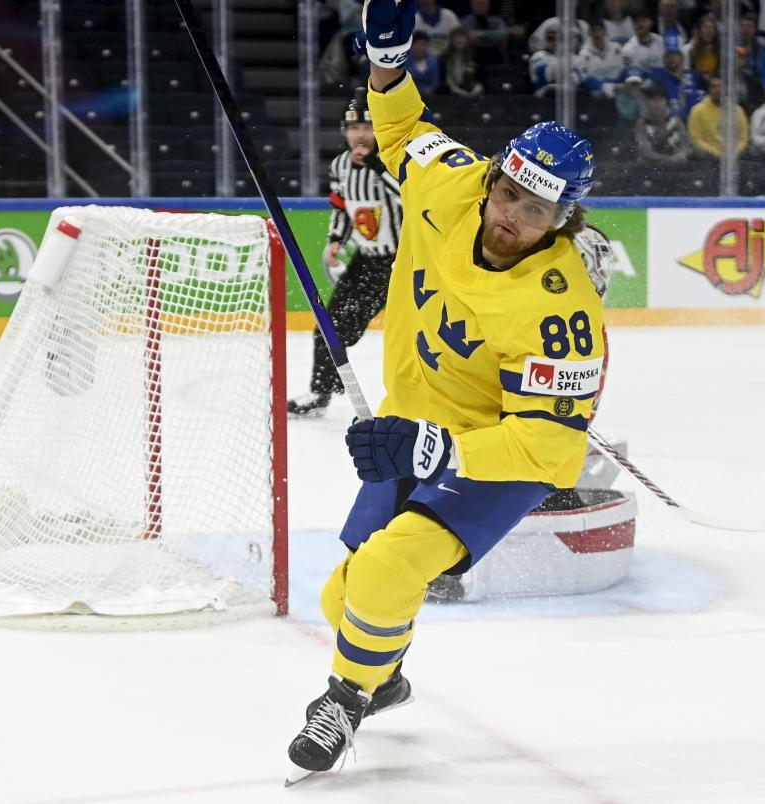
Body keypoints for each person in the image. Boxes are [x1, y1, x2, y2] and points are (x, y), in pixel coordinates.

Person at [287, 0, 604, 775]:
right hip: (417, 420)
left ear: (563, 220)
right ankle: (383, 678)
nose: (509, 218)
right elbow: (400, 131)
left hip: (498, 457)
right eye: (507, 195)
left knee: (389, 570)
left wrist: (441, 447)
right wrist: (388, 64)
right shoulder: (450, 182)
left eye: (535, 212)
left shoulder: (563, 312)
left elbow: (552, 450)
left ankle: (345, 699)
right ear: (491, 176)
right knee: (346, 596)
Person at [287, 92, 403, 417]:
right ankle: (320, 392)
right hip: (368, 261)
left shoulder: (394, 162)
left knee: (418, 336)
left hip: (405, 262)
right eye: (354, 128)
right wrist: (336, 240)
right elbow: (341, 207)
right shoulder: (340, 165)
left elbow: (412, 196)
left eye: (368, 127)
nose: (361, 135)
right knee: (329, 327)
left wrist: (379, 166)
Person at [687, 75, 750, 160]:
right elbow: (695, 139)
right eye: (713, 86)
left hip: (734, 158)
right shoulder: (697, 111)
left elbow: (743, 138)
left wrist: (734, 152)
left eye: (720, 86)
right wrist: (717, 154)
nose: (717, 90)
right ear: (709, 89)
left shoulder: (737, 110)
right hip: (708, 158)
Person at [578, 17, 624, 97]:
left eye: (600, 30)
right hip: (598, 94)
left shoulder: (617, 48)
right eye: (594, 30)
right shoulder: (583, 54)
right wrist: (610, 87)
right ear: (589, 33)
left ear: (605, 32)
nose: (597, 33)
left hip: (619, 90)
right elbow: (586, 80)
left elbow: (624, 70)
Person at [440, 26, 483, 96]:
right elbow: (446, 80)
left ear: (467, 40)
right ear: (451, 40)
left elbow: (480, 78)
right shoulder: (444, 58)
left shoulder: (475, 56)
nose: (459, 40)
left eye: (462, 37)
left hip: (473, 93)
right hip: (450, 94)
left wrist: (475, 90)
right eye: (456, 37)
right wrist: (460, 92)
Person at [683, 14, 720, 80]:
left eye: (711, 27)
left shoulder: (719, 52)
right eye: (705, 27)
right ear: (700, 30)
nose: (708, 31)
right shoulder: (690, 50)